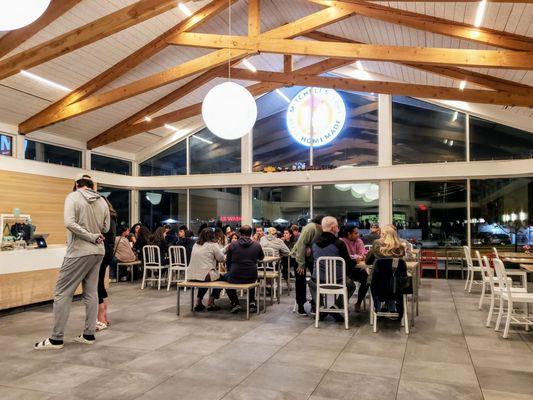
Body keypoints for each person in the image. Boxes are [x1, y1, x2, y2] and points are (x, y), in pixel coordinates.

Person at [35, 174, 110, 350]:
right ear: (91, 185)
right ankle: (89, 334)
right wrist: (95, 234)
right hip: (98, 251)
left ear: (76, 184)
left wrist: (90, 236)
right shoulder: (102, 201)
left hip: (79, 251)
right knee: (91, 293)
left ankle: (56, 339)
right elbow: (105, 228)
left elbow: (69, 222)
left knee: (62, 292)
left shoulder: (73, 196)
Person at [308, 217, 357, 322]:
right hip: (338, 281)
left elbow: (312, 260)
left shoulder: (314, 243)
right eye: (337, 227)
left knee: (311, 283)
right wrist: (355, 262)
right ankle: (336, 307)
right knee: (351, 285)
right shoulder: (339, 243)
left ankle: (321, 309)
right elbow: (347, 263)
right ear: (334, 228)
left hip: (318, 280)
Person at [365, 224, 408, 317]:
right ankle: (391, 307)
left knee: (379, 279)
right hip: (397, 285)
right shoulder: (401, 247)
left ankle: (378, 308)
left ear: (382, 234)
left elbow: (367, 261)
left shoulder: (377, 244)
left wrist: (371, 252)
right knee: (392, 279)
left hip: (378, 283)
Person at [224, 225, 264, 313]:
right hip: (252, 276)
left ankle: (235, 303)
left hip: (235, 276)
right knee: (250, 278)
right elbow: (261, 258)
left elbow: (228, 261)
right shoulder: (257, 245)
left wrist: (230, 270)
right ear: (251, 234)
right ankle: (252, 302)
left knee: (224, 278)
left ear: (240, 234)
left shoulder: (232, 245)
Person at [291, 215, 323, 316]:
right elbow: (301, 244)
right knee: (300, 281)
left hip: (311, 257)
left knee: (316, 279)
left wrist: (310, 247)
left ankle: (315, 304)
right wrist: (301, 264)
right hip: (299, 257)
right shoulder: (310, 228)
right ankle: (301, 305)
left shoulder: (321, 229)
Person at [188, 228, 225, 311]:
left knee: (205, 278)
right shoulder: (213, 244)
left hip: (191, 275)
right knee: (222, 279)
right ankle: (211, 302)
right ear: (212, 235)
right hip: (204, 275)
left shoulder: (196, 244)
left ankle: (199, 302)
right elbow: (221, 258)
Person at [96, 198, 117, 331]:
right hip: (108, 253)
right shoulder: (112, 216)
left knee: (96, 284)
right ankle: (104, 317)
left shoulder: (104, 217)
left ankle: (101, 318)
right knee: (100, 284)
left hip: (102, 252)